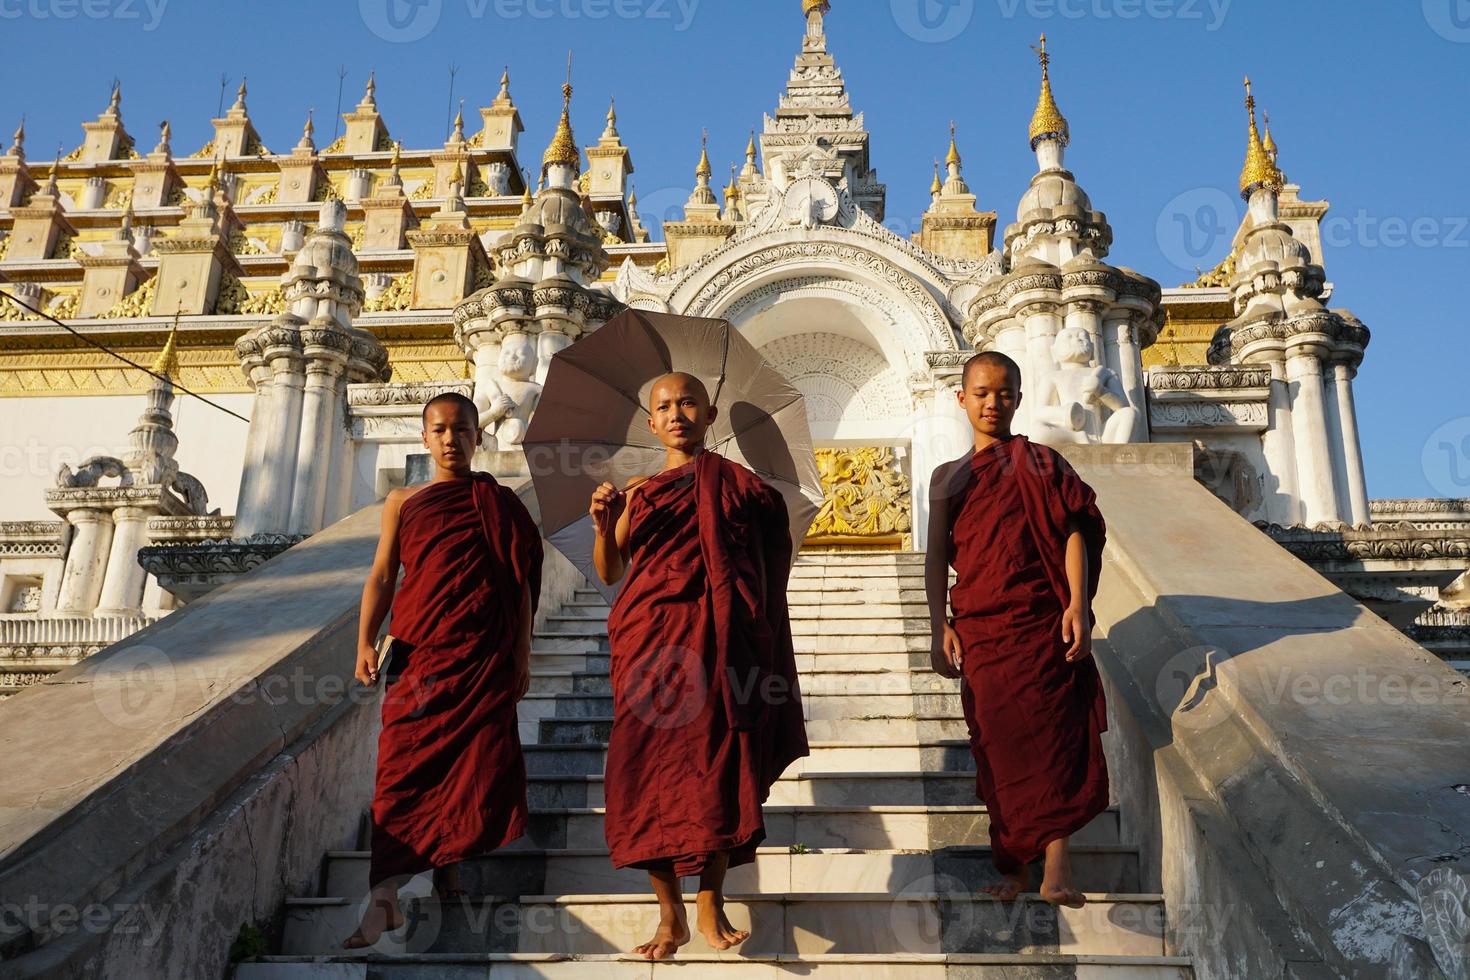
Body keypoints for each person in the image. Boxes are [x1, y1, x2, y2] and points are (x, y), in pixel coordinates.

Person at [588, 372, 808, 960]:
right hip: (646, 642)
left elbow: (770, 562)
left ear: (708, 415)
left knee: (714, 764)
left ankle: (710, 898)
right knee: (639, 772)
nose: (677, 412)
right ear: (652, 422)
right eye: (664, 406)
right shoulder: (640, 492)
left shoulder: (738, 483)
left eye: (689, 402)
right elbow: (610, 570)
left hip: (716, 640)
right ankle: (669, 915)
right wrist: (605, 526)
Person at [344, 391, 542, 948]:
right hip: (418, 656)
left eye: (462, 429)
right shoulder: (405, 501)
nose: (451, 439)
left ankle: (446, 875)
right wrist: (364, 639)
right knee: (400, 770)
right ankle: (384, 895)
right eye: (440, 430)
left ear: (479, 436)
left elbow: (522, 585)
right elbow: (384, 575)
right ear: (424, 437)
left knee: (471, 769)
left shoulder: (502, 504)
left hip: (482, 657)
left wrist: (522, 654)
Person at [925, 351, 1108, 908]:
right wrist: (940, 624)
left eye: (1004, 393)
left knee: (1053, 737)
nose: (992, 403)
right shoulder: (948, 476)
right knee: (997, 746)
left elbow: (1074, 529)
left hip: (1038, 619)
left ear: (1019, 399)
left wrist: (1078, 603)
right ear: (961, 398)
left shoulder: (1041, 463)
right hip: (982, 626)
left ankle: (1057, 866)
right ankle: (1014, 866)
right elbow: (936, 557)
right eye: (981, 392)